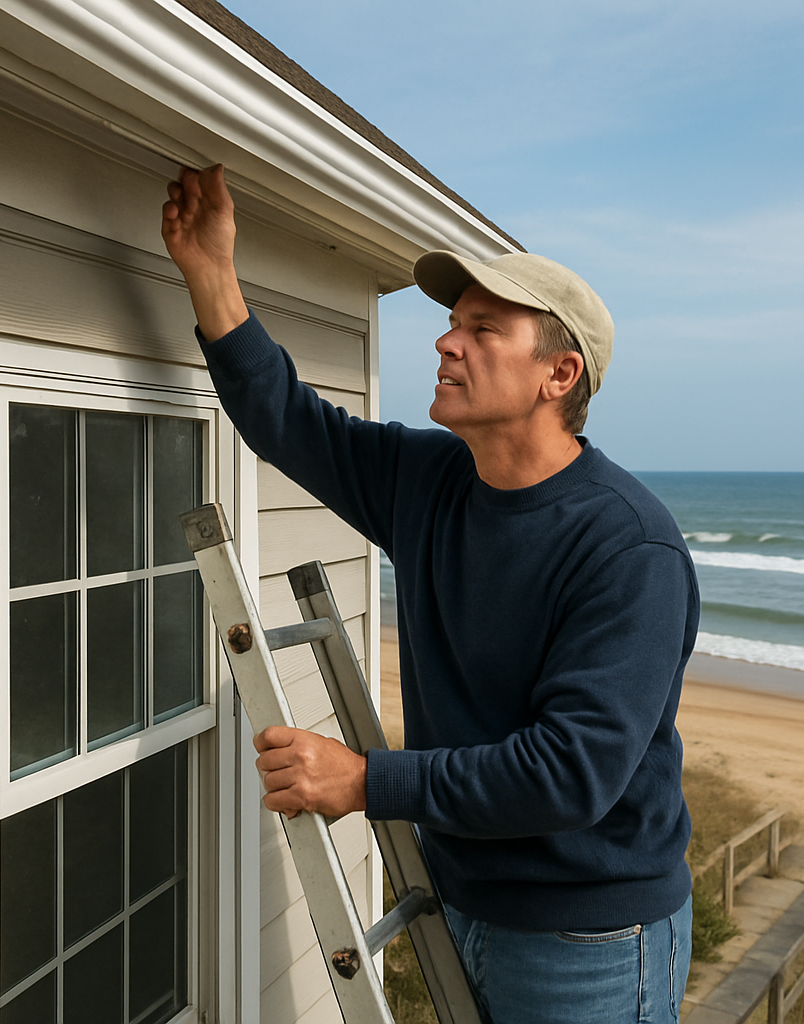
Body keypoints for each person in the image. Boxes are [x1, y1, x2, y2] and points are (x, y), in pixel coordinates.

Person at [162, 164, 698, 1023]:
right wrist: (210, 273)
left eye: (483, 329)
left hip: (592, 941)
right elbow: (288, 422)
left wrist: (366, 781)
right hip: (467, 906)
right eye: (451, 326)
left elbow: (571, 774)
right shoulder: (433, 479)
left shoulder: (628, 547)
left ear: (558, 376)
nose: (447, 343)